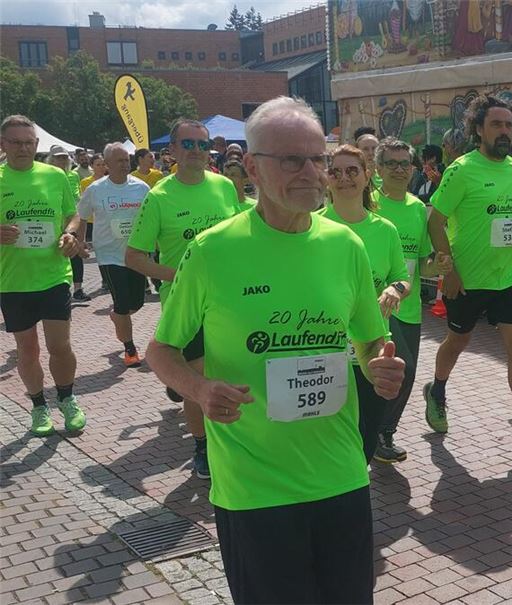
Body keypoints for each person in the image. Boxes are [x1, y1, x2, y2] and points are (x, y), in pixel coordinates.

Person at [147, 96, 403, 604]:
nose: (311, 173)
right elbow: (161, 350)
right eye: (292, 160)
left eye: (318, 159)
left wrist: (379, 365)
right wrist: (198, 388)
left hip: (340, 475)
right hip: (254, 487)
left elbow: (370, 337)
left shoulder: (345, 245)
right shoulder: (214, 251)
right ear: (253, 169)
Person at [424, 95, 512, 453]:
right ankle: (436, 390)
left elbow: (502, 211)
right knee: (458, 342)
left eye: (509, 125)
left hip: (507, 276)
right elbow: (435, 219)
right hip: (466, 279)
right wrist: (448, 269)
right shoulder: (461, 169)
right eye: (496, 125)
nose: (504, 131)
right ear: (479, 129)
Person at [125, 118, 240, 480]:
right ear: (172, 151)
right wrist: (183, 277)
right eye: (187, 145)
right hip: (185, 306)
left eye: (203, 145)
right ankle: (202, 446)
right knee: (199, 379)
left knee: (234, 371)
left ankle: (231, 437)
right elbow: (135, 258)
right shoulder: (158, 197)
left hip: (230, 302)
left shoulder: (224, 187)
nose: (196, 152)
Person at [322, 143, 413, 463]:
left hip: (375, 345)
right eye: (336, 171)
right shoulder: (311, 226)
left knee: (366, 436)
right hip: (325, 347)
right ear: (327, 178)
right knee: (331, 438)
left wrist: (394, 290)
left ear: (366, 176)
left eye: (352, 171)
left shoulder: (384, 230)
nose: (344, 178)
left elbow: (404, 278)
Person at [0, 115, 88, 436]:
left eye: (29, 142)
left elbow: (73, 215)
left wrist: (70, 234)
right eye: (16, 142)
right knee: (28, 350)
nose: (23, 148)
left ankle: (67, 398)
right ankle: (38, 407)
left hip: (53, 275)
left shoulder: (55, 176)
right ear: (3, 144)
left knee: (59, 346)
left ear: (37, 145)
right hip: (13, 281)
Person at [371, 137, 452, 462]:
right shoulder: (368, 203)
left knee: (408, 373)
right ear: (378, 168)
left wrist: (438, 265)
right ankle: (375, 432)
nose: (400, 169)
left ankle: (383, 431)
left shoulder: (418, 208)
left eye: (405, 163)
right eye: (391, 163)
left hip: (408, 304)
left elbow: (422, 262)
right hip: (373, 304)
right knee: (386, 370)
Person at [77, 143, 150, 368]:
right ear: (106, 165)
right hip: (109, 254)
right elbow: (81, 216)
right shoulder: (96, 189)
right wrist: (80, 242)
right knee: (121, 302)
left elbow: (151, 217)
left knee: (136, 303)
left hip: (135, 254)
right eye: (119, 161)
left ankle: (117, 315)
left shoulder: (141, 188)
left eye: (127, 160)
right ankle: (130, 349)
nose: (124, 164)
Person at [73, 154, 109, 301]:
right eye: (98, 164)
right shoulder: (86, 182)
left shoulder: (110, 181)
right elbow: (84, 203)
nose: (101, 167)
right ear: (92, 166)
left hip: (106, 220)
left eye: (103, 164)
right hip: (91, 221)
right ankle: (105, 278)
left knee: (106, 248)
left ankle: (107, 278)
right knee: (99, 249)